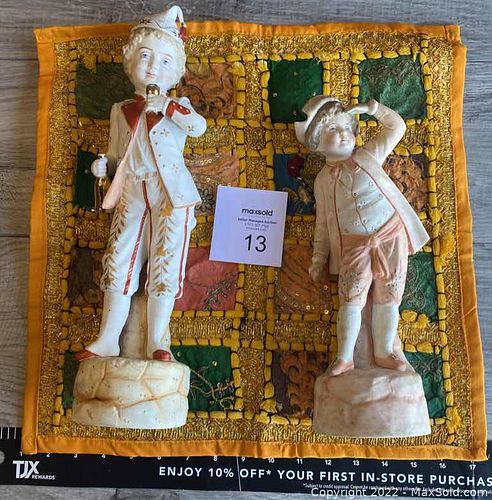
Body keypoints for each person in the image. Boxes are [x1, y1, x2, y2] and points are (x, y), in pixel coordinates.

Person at [76, 6, 206, 362]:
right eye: (145, 56)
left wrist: (167, 106)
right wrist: (105, 166)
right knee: (119, 257)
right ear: (130, 60)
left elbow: (198, 127)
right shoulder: (120, 109)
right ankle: (107, 338)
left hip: (170, 193)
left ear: (175, 72)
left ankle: (157, 341)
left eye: (165, 61)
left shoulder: (178, 105)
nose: (153, 67)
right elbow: (118, 152)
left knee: (165, 260)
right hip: (132, 190)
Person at [295, 97, 429, 376]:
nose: (344, 133)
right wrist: (318, 259)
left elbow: (397, 127)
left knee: (389, 295)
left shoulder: (368, 155)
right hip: (353, 246)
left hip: (390, 235)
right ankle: (345, 358)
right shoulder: (322, 181)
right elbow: (323, 224)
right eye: (333, 128)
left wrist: (373, 109)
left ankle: (384, 352)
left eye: (346, 126)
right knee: (351, 299)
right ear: (317, 142)